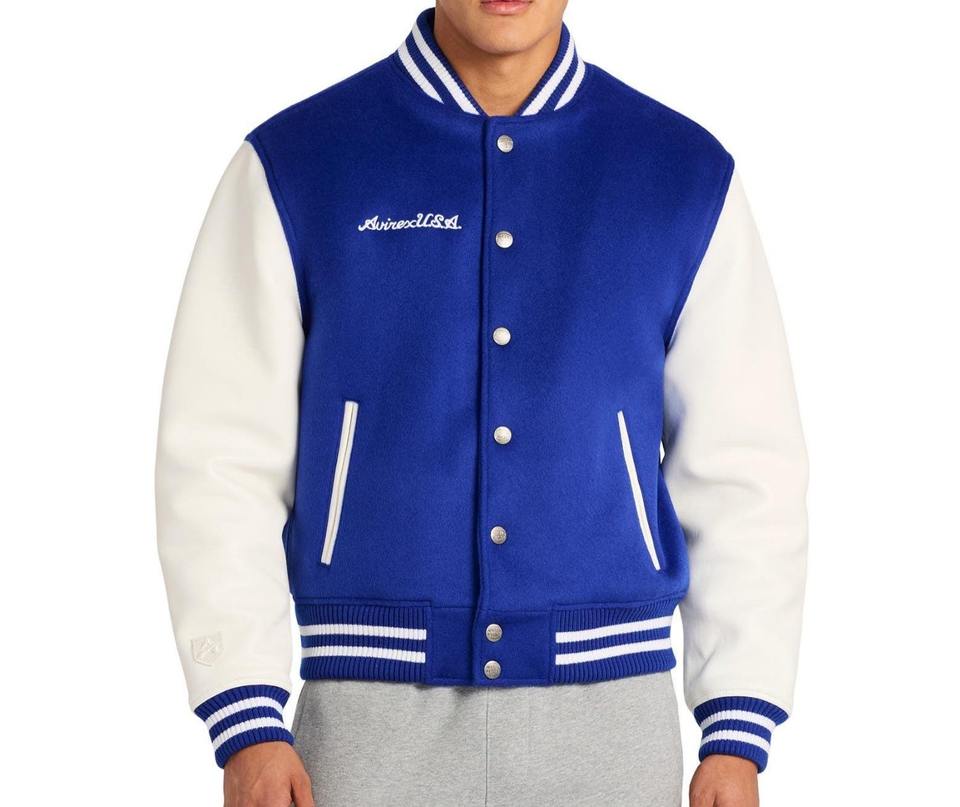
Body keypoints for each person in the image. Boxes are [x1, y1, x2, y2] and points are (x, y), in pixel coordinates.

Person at [156, 1, 808, 805]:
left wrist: (737, 724)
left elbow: (746, 468)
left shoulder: (682, 175)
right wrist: (245, 712)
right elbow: (218, 455)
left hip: (611, 722)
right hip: (365, 724)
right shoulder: (298, 164)